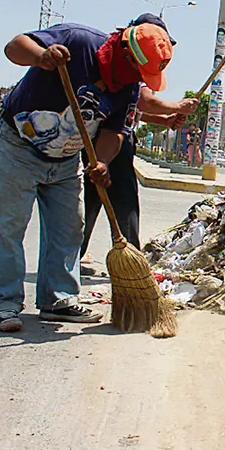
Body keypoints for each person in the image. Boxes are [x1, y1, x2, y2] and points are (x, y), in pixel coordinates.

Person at [0, 20, 172, 332]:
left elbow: (114, 132)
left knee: (69, 227)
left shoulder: (128, 88)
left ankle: (58, 299)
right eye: (139, 71)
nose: (140, 81)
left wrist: (103, 162)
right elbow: (14, 47)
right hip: (19, 143)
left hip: (66, 156)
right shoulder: (80, 42)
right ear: (125, 53)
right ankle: (3, 302)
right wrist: (41, 57)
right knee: (8, 224)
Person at [80, 14, 197, 269]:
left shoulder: (138, 68)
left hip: (118, 136)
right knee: (118, 200)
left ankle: (90, 256)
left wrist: (166, 121)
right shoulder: (128, 65)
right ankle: (129, 261)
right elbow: (143, 100)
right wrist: (177, 106)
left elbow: (135, 110)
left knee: (102, 199)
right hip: (106, 138)